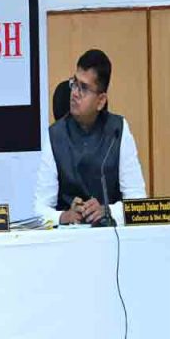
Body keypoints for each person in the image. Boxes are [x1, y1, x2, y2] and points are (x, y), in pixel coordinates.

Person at [34, 49, 146, 226]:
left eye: (84, 88)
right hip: (68, 241)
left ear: (101, 101)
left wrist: (108, 211)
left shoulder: (118, 130)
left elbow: (138, 202)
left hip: (113, 239)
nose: (75, 93)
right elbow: (39, 210)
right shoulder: (55, 135)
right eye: (74, 83)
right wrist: (64, 216)